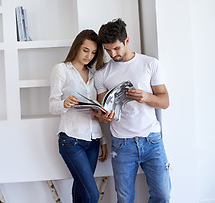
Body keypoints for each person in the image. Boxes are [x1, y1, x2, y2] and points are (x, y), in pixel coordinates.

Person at [93, 18, 171, 203]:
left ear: (126, 41)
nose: (113, 54)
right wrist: (105, 116)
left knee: (162, 196)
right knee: (125, 199)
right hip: (122, 144)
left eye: (116, 48)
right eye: (108, 50)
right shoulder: (101, 74)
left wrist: (146, 97)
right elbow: (101, 114)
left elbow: (165, 101)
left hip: (152, 140)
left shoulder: (150, 64)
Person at [49, 29, 108, 203]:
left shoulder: (94, 75)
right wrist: (64, 103)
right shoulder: (61, 70)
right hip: (71, 140)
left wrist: (103, 141)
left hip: (93, 140)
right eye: (85, 50)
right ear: (76, 47)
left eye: (93, 52)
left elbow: (96, 111)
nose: (89, 55)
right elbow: (52, 105)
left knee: (81, 191)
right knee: (92, 195)